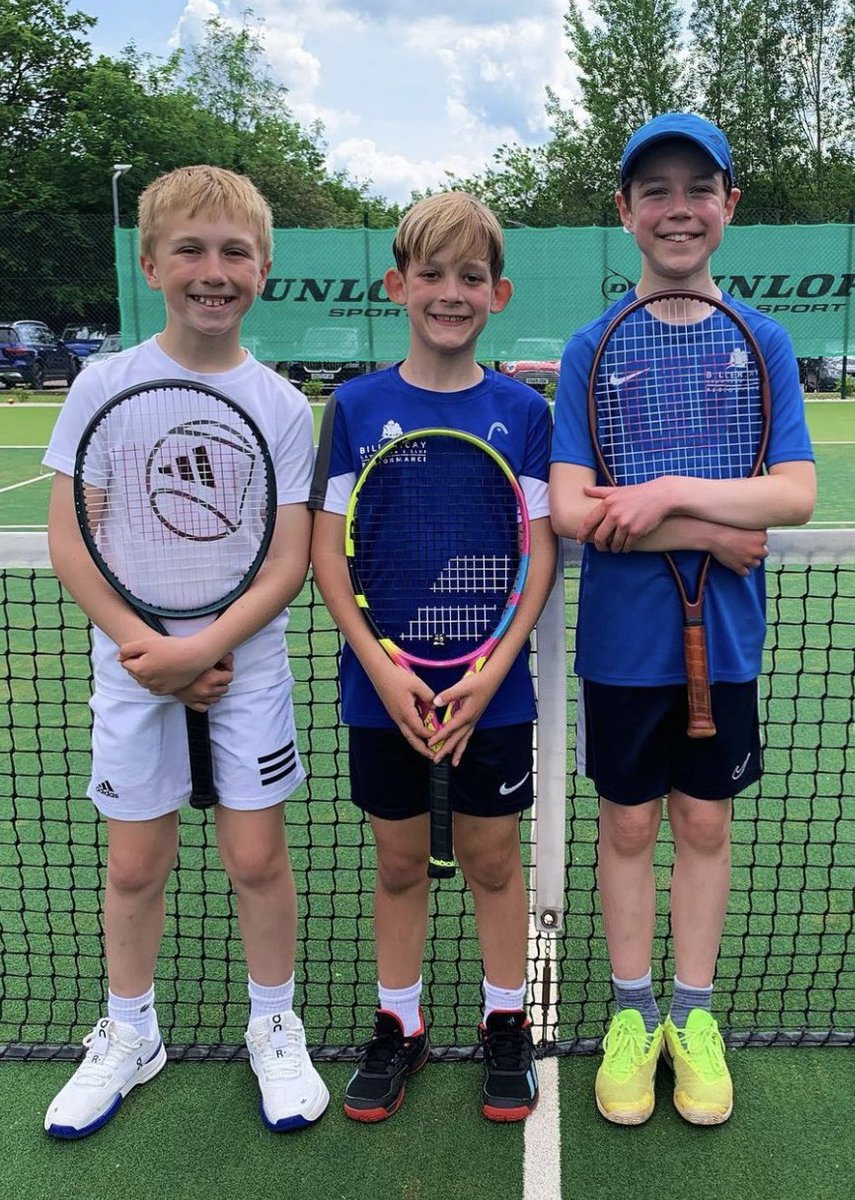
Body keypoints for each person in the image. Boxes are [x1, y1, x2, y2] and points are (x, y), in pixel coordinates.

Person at [42, 165, 326, 1137]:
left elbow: (287, 561)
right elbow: (74, 536)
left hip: (246, 666)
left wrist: (204, 648)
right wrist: (145, 649)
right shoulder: (102, 386)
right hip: (131, 667)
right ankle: (129, 1033)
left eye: (235, 251)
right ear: (151, 262)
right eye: (193, 250)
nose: (214, 270)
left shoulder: (285, 407)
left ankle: (274, 1024)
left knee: (255, 856)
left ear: (265, 268)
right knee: (134, 866)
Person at [548, 113, 817, 1126]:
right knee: (626, 825)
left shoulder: (763, 341)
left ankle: (692, 1017)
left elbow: (792, 493)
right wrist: (706, 527)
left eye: (697, 188)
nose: (677, 208)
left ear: (728, 207)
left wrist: (660, 494)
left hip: (728, 646)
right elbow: (576, 510)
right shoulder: (592, 346)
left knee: (704, 824)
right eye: (653, 190)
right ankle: (631, 1015)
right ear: (625, 213)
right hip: (620, 648)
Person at [308, 191, 556, 1124]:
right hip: (386, 687)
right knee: (401, 861)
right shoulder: (357, 406)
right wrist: (380, 664)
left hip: (494, 686)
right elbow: (328, 552)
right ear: (397, 284)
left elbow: (537, 554)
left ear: (499, 293)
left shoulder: (522, 411)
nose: (449, 293)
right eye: (431, 275)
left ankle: (503, 1022)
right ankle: (401, 1024)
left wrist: (493, 669)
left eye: (469, 277)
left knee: (494, 861)